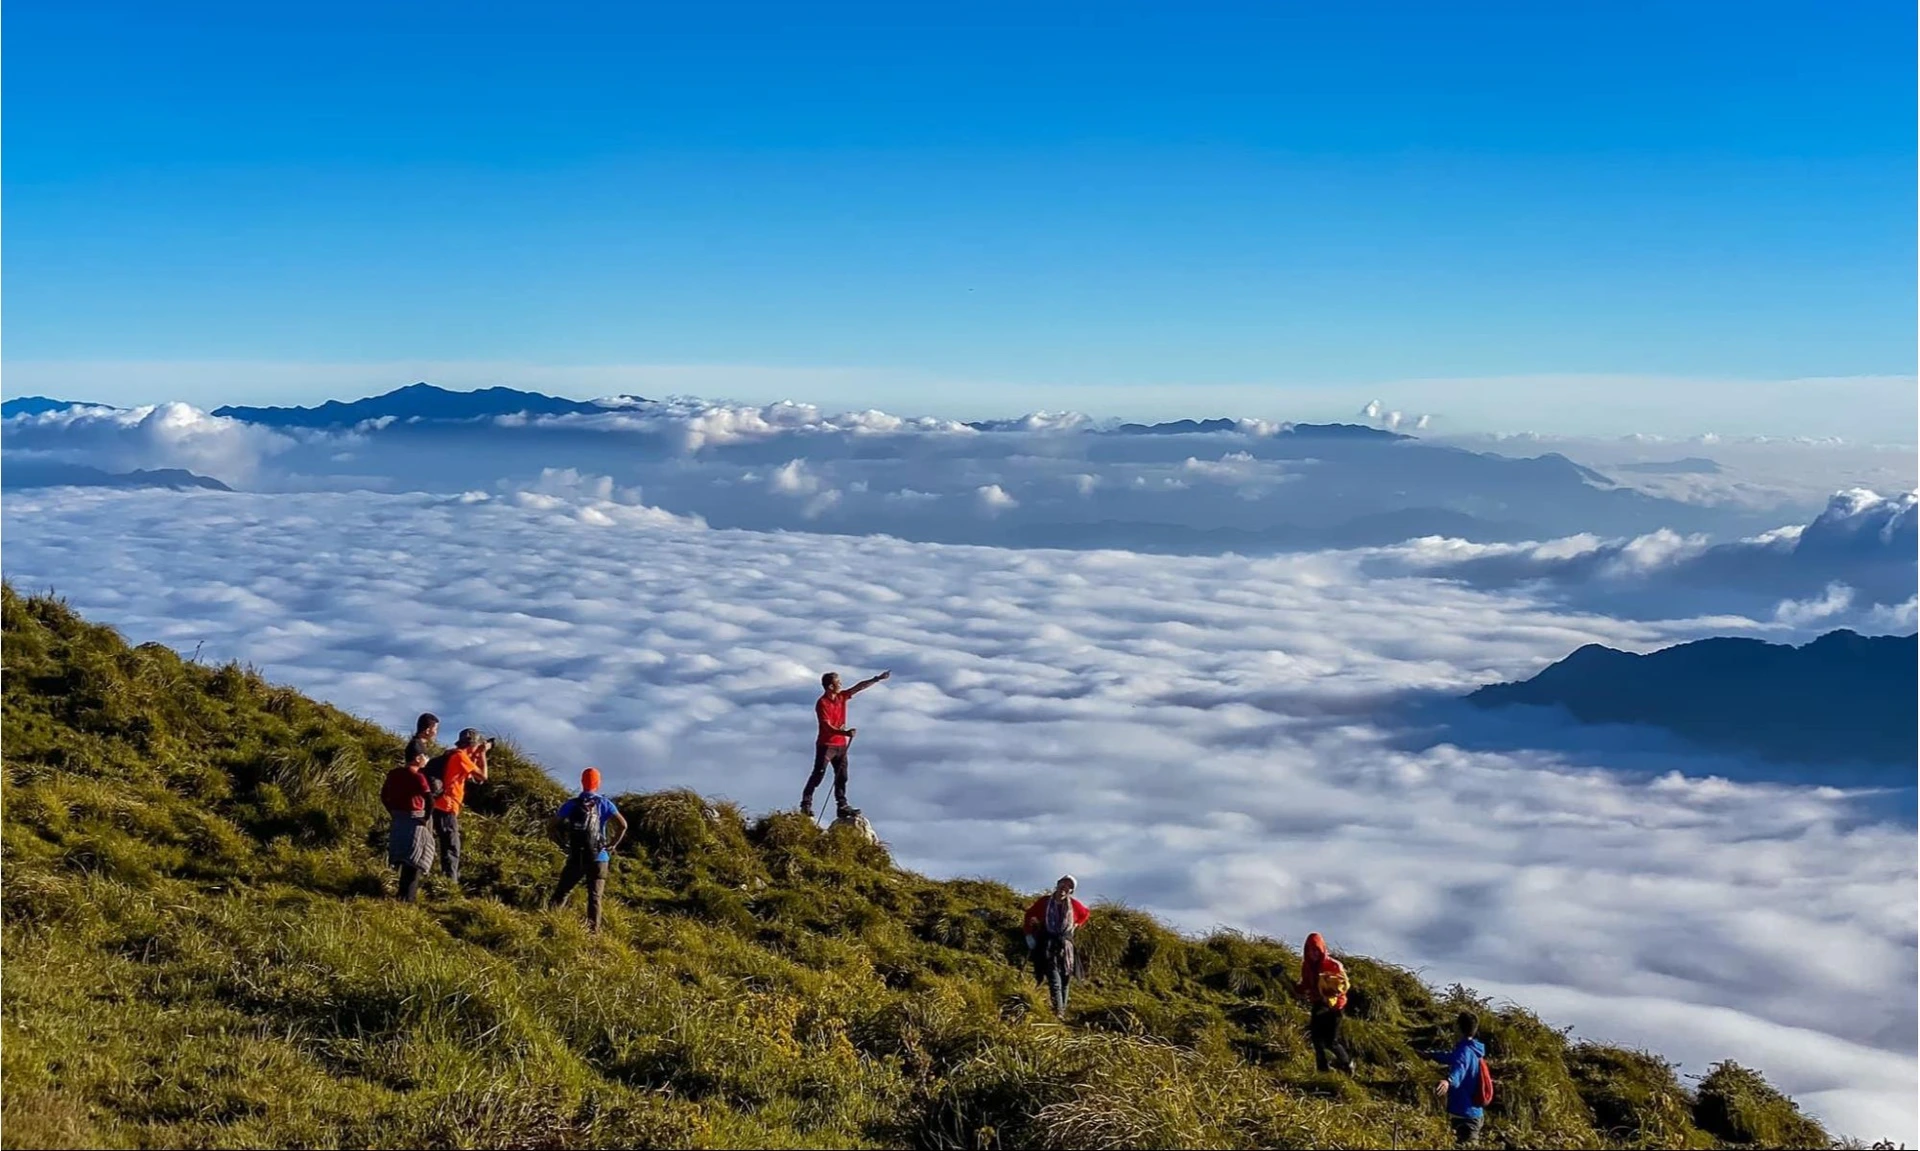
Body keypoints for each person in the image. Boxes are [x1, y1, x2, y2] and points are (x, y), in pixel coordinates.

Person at [547, 767, 628, 933]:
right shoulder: (605, 804)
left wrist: (562, 844)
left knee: (562, 892)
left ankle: (550, 925)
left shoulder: (571, 804)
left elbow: (551, 826)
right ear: (598, 783)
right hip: (599, 857)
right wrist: (612, 844)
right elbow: (623, 825)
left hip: (577, 855)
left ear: (582, 782)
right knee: (595, 897)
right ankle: (593, 934)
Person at [801, 669, 890, 821]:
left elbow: (858, 687)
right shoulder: (822, 703)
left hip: (841, 745)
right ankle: (806, 804)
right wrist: (846, 733)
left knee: (842, 776)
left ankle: (842, 806)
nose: (841, 685)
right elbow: (826, 726)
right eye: (838, 682)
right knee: (818, 775)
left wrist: (876, 679)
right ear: (830, 686)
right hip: (827, 745)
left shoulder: (841, 697)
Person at [430, 728, 490, 889]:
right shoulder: (460, 757)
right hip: (447, 805)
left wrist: (476, 754)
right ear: (472, 745)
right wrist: (483, 754)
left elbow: (471, 775)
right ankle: (450, 885)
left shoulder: (453, 755)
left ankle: (446, 880)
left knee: (447, 844)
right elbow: (483, 776)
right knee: (452, 846)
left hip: (439, 804)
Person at [1022, 875, 1089, 1018]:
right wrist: (1029, 934)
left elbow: (1085, 914)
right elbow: (1029, 915)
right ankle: (1058, 1011)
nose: (1064, 887)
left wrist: (1077, 924)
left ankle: (1061, 1012)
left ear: (1071, 891)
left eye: (1068, 886)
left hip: (1066, 946)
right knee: (1054, 978)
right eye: (1062, 884)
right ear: (1057, 885)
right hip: (1048, 944)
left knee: (1065, 979)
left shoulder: (1074, 906)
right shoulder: (1045, 902)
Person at [380, 749, 436, 901]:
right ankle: (407, 898)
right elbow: (430, 800)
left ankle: (401, 895)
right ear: (418, 758)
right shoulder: (417, 776)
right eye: (424, 756)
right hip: (415, 818)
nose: (426, 759)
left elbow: (384, 796)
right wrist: (425, 818)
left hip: (399, 818)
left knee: (403, 856)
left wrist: (392, 811)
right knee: (416, 858)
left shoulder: (394, 774)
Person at [1299, 931, 1355, 1073]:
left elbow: (1344, 986)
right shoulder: (1306, 966)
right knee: (1317, 1039)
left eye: (1317, 950)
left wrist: (1332, 989)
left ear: (1322, 949)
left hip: (1335, 1007)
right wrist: (1294, 987)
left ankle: (1347, 1064)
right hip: (1319, 1004)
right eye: (1311, 950)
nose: (1314, 954)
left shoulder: (1334, 965)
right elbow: (1305, 984)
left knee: (1331, 1041)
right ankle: (1323, 1070)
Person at [1434, 1011, 1489, 1146]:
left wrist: (1448, 1081)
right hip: (1473, 1113)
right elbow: (1454, 1058)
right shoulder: (1472, 1048)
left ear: (1458, 1027)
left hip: (1464, 1115)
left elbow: (1460, 1069)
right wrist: (1432, 1055)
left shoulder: (1463, 1051)